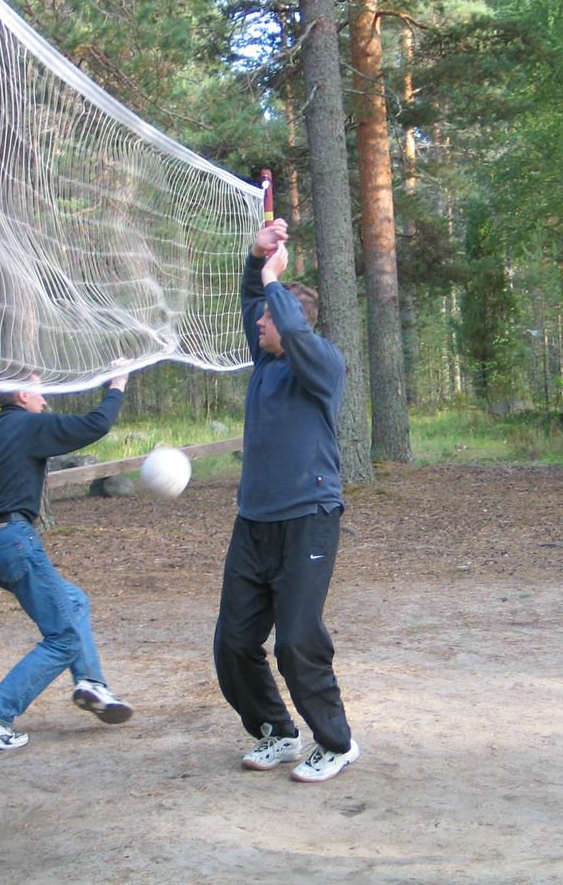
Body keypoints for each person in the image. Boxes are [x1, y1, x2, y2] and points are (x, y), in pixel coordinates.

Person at [213, 218, 360, 783]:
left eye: (269, 317)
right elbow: (254, 300)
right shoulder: (265, 365)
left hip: (309, 520)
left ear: (293, 321)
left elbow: (293, 331)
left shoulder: (322, 364)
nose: (259, 322)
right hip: (254, 523)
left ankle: (336, 742)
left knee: (297, 641)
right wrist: (257, 261)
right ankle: (276, 729)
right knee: (233, 642)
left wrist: (275, 280)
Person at [0, 366, 137, 750]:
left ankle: (91, 683)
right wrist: (118, 384)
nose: (44, 400)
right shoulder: (27, 425)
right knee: (63, 638)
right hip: (13, 541)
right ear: (22, 395)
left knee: (74, 602)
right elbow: (96, 425)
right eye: (40, 392)